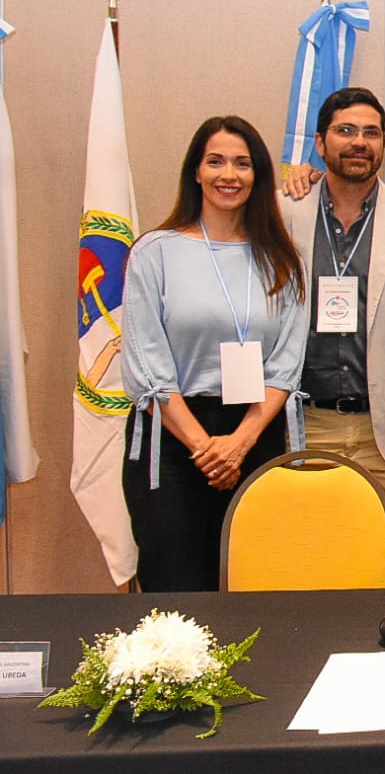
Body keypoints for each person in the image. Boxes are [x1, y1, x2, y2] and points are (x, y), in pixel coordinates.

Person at [121, 116, 307, 591]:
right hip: (175, 439)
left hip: (255, 432)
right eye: (216, 161)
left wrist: (240, 442)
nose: (230, 174)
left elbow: (285, 366)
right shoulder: (155, 252)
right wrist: (206, 448)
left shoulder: (282, 258)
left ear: (259, 175)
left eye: (243, 164)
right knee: (177, 586)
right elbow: (148, 364)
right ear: (196, 172)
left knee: (255, 585)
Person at [280, 87, 385, 515]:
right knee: (309, 557)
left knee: (374, 564)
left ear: (383, 144)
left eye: (371, 133)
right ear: (320, 143)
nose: (359, 142)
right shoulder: (283, 211)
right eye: (346, 130)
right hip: (304, 426)